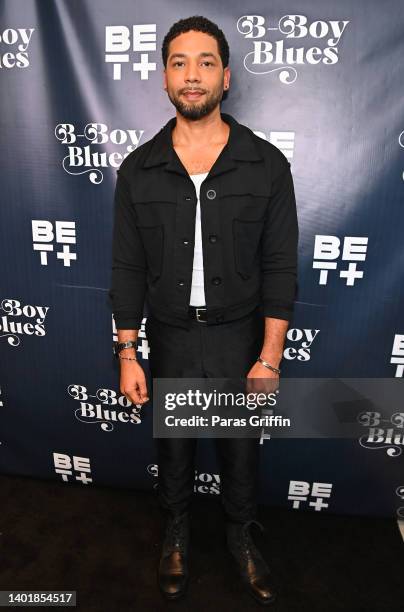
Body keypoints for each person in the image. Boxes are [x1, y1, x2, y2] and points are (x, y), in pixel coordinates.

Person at [109, 15, 299, 606]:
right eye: (180, 63)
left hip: (238, 336)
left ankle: (243, 537)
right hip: (167, 336)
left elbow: (280, 269)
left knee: (240, 452)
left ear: (227, 77)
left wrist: (268, 360)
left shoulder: (266, 165)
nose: (192, 76)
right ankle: (177, 532)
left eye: (206, 63)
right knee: (174, 449)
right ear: (164, 77)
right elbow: (127, 270)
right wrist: (127, 352)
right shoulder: (138, 170)